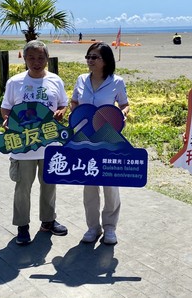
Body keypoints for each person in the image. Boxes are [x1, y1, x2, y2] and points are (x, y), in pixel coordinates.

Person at [0, 40, 69, 246]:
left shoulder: (55, 80)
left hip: (49, 145)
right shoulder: (15, 82)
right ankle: (22, 226)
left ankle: (48, 221)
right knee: (23, 188)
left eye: (41, 58)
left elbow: (63, 103)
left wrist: (62, 111)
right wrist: (6, 120)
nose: (36, 62)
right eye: (31, 57)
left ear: (47, 59)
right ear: (24, 58)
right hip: (23, 147)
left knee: (49, 185)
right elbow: (6, 108)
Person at [70, 42, 129, 245]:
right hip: (84, 139)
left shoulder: (116, 82)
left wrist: (122, 115)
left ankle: (110, 227)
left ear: (106, 61)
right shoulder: (81, 80)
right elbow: (74, 102)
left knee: (110, 183)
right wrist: (74, 115)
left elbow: (124, 105)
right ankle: (92, 227)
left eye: (95, 57)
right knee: (89, 184)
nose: (90, 61)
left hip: (108, 137)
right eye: (88, 57)